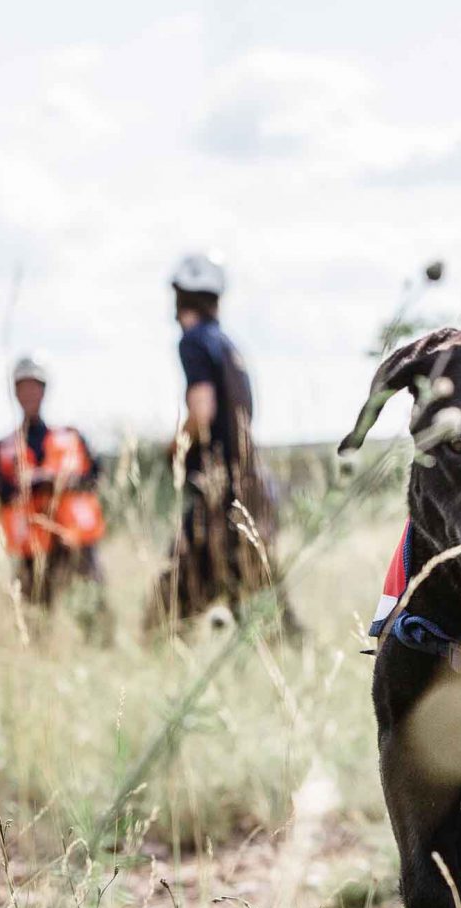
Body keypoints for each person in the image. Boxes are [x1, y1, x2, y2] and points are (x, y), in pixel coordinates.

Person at [148, 253, 294, 632]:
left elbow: (201, 411)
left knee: (168, 609)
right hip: (249, 486)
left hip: (216, 494)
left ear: (181, 297)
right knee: (257, 592)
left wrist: (173, 449)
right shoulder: (228, 345)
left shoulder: (193, 341)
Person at [0, 353, 106, 605]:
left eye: (34, 386)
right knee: (35, 614)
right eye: (23, 387)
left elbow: (94, 477)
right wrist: (28, 485)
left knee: (93, 606)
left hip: (75, 541)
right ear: (15, 393)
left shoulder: (72, 438)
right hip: (32, 548)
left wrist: (57, 482)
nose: (29, 393)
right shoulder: (3, 448)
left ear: (44, 391)